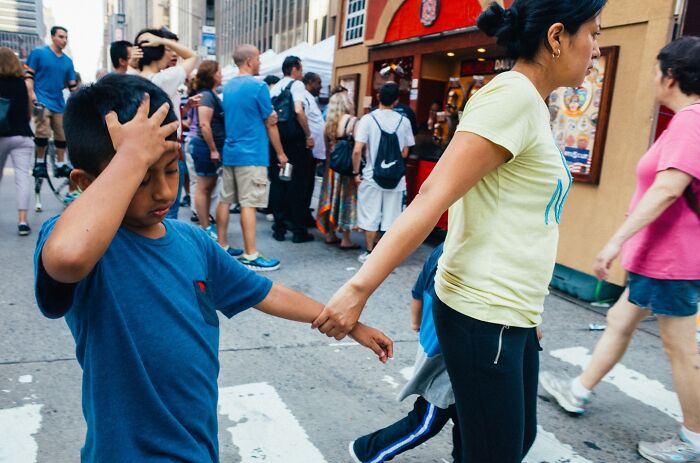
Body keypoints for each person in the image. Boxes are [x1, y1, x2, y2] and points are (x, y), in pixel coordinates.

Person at [34, 73, 392, 461]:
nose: (164, 192)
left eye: (170, 170)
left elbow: (266, 292)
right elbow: (68, 258)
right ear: (88, 183)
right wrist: (130, 158)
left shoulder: (192, 242)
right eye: (140, 177)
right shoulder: (82, 240)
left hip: (196, 448)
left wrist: (345, 321)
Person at [312, 1, 605, 461]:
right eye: (593, 32)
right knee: (496, 450)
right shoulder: (511, 98)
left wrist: (531, 312)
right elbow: (432, 197)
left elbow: (518, 216)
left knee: (507, 440)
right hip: (484, 313)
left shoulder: (530, 104)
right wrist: (358, 288)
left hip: (513, 312)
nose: (596, 47)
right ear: (556, 37)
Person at [540, 36, 700, 463]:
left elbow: (668, 189)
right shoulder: (687, 120)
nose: (653, 78)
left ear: (671, 76)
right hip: (659, 259)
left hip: (672, 261)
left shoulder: (691, 121)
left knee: (681, 350)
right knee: (618, 319)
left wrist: (614, 240)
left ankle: (693, 439)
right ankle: (577, 390)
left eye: (655, 70)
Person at [349, 244, 461, 463]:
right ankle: (369, 450)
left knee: (465, 416)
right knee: (427, 421)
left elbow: (417, 293)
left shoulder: (443, 248)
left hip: (437, 346)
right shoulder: (460, 255)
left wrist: (416, 323)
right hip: (444, 355)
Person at [216, 45, 286, 270]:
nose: (260, 63)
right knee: (249, 203)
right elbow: (270, 122)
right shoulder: (258, 86)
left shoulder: (229, 86)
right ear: (248, 60)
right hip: (252, 154)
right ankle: (250, 254)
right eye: (257, 59)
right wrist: (281, 153)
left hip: (231, 151)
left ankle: (223, 245)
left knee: (225, 199)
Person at [135, 27, 198, 220]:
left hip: (145, 151)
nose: (172, 54)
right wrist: (163, 41)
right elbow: (193, 56)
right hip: (167, 150)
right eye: (167, 50)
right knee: (168, 210)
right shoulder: (162, 79)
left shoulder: (133, 79)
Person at [353, 82, 415, 263]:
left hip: (372, 176)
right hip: (396, 177)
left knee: (370, 215)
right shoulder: (404, 121)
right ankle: (386, 255)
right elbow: (405, 152)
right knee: (392, 217)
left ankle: (370, 253)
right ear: (396, 101)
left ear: (378, 97)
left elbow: (357, 150)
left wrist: (356, 172)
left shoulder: (367, 119)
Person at [269, 55, 316, 243]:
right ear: (295, 69)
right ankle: (298, 230)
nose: (302, 73)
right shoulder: (296, 85)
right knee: (299, 185)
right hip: (295, 142)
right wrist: (308, 134)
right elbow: (298, 110)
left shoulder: (275, 88)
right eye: (301, 69)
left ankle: (279, 228)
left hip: (277, 141)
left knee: (279, 183)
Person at [25, 25, 77, 179]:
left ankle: (61, 164)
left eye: (66, 37)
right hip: (41, 100)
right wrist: (31, 94)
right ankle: (40, 163)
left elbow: (72, 85)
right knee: (43, 131)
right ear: (52, 37)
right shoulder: (38, 53)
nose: (64, 40)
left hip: (58, 102)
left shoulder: (68, 61)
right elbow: (28, 75)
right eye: (61, 37)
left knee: (62, 134)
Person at [316, 91, 359, 249]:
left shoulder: (329, 124)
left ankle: (330, 234)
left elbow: (327, 149)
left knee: (331, 199)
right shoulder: (353, 122)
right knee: (346, 200)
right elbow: (358, 147)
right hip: (346, 169)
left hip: (332, 168)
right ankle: (345, 238)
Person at [188, 60, 224, 241]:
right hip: (204, 147)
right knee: (203, 187)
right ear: (212, 74)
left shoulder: (209, 94)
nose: (221, 74)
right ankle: (205, 226)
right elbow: (204, 124)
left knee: (207, 187)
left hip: (206, 147)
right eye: (219, 71)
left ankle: (206, 224)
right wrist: (213, 149)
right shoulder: (207, 96)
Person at [0, 47, 34, 236]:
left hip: (2, 136)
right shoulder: (23, 84)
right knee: (22, 178)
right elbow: (29, 112)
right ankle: (22, 221)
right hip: (22, 135)